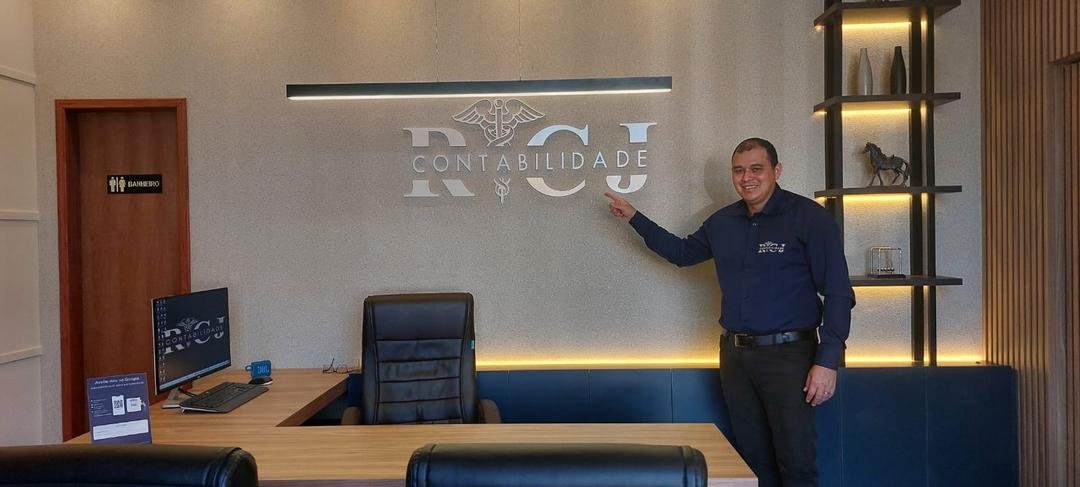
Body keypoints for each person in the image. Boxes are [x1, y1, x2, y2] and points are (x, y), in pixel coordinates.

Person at [605, 137, 854, 487]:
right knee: (752, 465)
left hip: (791, 358)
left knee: (796, 465)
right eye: (739, 170)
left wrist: (827, 361)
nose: (747, 177)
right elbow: (681, 253)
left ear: (776, 170)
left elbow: (839, 292)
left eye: (756, 169)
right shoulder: (722, 222)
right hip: (736, 359)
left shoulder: (809, 217)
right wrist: (635, 217)